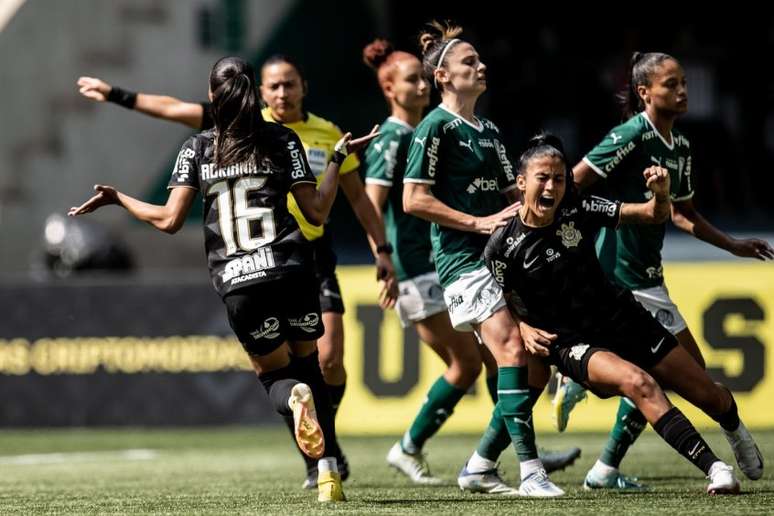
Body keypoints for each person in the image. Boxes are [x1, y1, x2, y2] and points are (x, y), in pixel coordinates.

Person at [77, 55, 399, 488]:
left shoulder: (198, 147)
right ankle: (326, 473)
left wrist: (120, 199)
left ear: (213, 96)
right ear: (256, 90)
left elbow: (169, 221)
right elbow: (318, 213)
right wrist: (338, 158)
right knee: (310, 365)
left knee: (276, 379)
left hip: (239, 282)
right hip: (292, 269)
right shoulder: (283, 139)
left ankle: (301, 415)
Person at [485, 132, 760, 495]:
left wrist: (661, 195)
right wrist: (522, 327)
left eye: (560, 178)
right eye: (543, 178)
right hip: (572, 342)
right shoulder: (502, 247)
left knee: (710, 396)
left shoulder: (577, 208)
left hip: (622, 317)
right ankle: (716, 469)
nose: (552, 186)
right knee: (639, 383)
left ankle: (735, 429)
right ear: (521, 183)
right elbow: (505, 297)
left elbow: (650, 215)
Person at [361, 38, 579, 485]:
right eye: (470, 61)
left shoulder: (490, 131)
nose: (482, 66)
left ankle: (481, 463)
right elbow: (411, 199)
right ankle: (529, 470)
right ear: (442, 76)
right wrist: (476, 224)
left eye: (480, 59)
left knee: (526, 364)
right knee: (499, 356)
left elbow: (511, 198)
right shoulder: (432, 128)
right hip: (458, 261)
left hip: (503, 259)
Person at [553, 51, 771, 490]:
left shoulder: (681, 148)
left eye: (683, 82)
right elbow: (571, 183)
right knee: (685, 368)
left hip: (647, 274)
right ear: (644, 92)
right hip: (619, 275)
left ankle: (604, 465)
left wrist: (732, 245)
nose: (682, 90)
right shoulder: (630, 134)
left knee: (670, 371)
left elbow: (682, 214)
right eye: (671, 84)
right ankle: (728, 435)